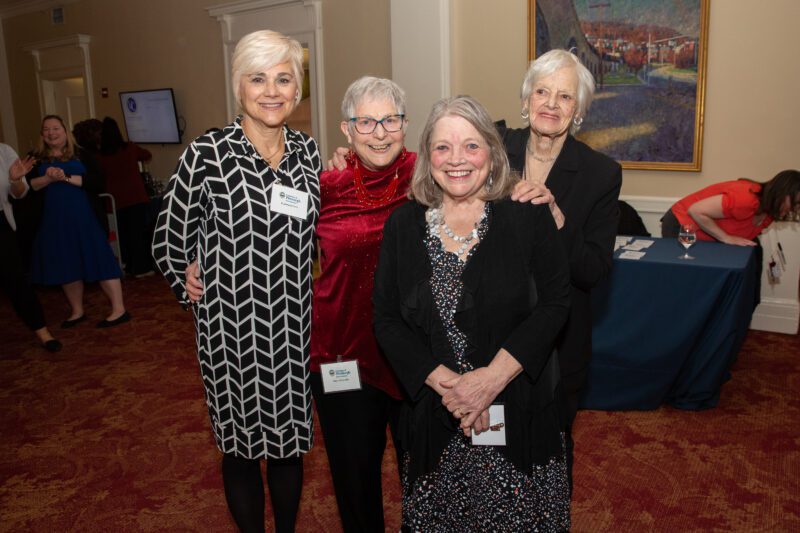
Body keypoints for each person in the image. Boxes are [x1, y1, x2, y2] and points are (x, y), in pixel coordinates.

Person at [373, 95, 572, 531]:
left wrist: (490, 380)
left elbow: (557, 303)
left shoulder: (527, 215)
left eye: (471, 146)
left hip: (519, 410)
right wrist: (457, 391)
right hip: (435, 416)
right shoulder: (403, 226)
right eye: (443, 147)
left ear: (492, 152)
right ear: (427, 156)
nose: (456, 160)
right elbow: (386, 320)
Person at [152, 30, 320, 533]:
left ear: (297, 89)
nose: (272, 91)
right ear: (239, 88)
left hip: (294, 331)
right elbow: (166, 238)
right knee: (242, 450)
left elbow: (317, 236)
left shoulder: (308, 155)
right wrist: (189, 287)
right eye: (258, 78)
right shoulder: (207, 153)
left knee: (291, 449)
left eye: (283, 78)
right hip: (231, 334)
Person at [497, 49, 622, 492]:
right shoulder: (492, 146)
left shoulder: (600, 173)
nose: (550, 103)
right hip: (493, 332)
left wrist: (557, 217)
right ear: (526, 98)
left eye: (564, 96)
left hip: (560, 341)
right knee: (489, 449)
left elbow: (592, 270)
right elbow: (436, 160)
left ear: (579, 110)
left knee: (552, 452)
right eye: (542, 91)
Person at [26, 115, 129, 328]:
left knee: (101, 260)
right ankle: (77, 310)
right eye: (47, 129)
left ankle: (119, 309)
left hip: (85, 217)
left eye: (56, 128)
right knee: (66, 263)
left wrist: (64, 177)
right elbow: (27, 187)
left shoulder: (82, 154)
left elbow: (98, 182)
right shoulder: (35, 158)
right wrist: (48, 178)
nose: (51, 133)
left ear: (65, 131)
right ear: (42, 134)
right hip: (54, 220)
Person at [1, 143, 61, 351]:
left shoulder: (4, 152)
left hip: (1, 223)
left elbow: (19, 193)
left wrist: (15, 179)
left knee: (16, 280)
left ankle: (43, 333)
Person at [661, 170, 800, 244]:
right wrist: (726, 238)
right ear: (782, 192)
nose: (795, 209)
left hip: (706, 236)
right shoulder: (746, 199)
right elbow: (695, 211)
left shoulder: (768, 215)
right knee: (686, 274)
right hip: (682, 225)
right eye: (795, 202)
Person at [98, 117, 154, 276]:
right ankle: (142, 267)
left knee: (123, 235)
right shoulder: (129, 148)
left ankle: (128, 265)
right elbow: (147, 155)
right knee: (138, 233)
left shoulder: (101, 156)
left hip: (115, 200)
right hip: (135, 197)